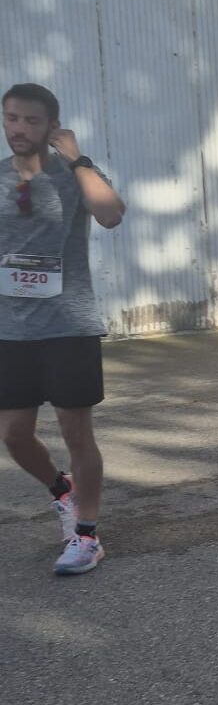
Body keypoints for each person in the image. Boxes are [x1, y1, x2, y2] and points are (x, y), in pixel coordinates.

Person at [1, 82, 126, 576]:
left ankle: (86, 535)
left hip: (68, 324)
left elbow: (111, 214)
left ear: (52, 125)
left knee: (77, 432)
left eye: (31, 120)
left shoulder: (77, 175)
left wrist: (76, 158)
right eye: (12, 118)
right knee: (14, 435)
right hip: (11, 329)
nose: (19, 129)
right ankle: (62, 490)